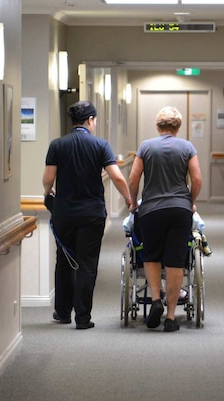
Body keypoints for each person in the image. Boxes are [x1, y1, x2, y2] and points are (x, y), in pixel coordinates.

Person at [43, 101, 133, 330]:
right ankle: (82, 317)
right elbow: (117, 177)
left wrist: (48, 192)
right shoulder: (100, 145)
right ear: (91, 120)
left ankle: (62, 312)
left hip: (64, 213)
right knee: (87, 264)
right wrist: (128, 197)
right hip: (92, 214)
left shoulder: (57, 145)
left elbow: (48, 178)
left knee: (63, 261)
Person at [127, 106, 203, 332]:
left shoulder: (146, 146)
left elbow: (133, 179)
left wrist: (133, 203)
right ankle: (170, 317)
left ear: (158, 126)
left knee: (151, 255)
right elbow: (197, 179)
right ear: (178, 127)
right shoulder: (187, 147)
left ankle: (156, 300)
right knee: (175, 261)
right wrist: (190, 200)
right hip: (180, 210)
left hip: (151, 210)